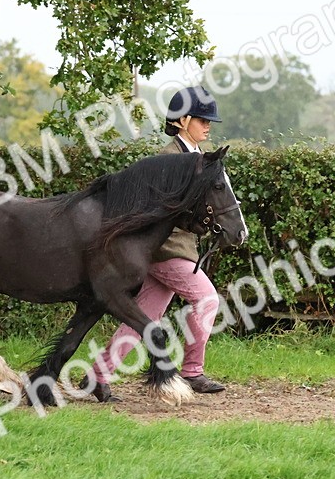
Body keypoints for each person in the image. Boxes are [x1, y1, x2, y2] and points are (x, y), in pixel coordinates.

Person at [86, 86, 229, 402]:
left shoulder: (199, 159)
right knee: (206, 299)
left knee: (142, 318)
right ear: (182, 120)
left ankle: (97, 375)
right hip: (167, 250)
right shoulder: (169, 159)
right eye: (202, 120)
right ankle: (193, 371)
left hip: (178, 249)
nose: (208, 126)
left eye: (209, 121)